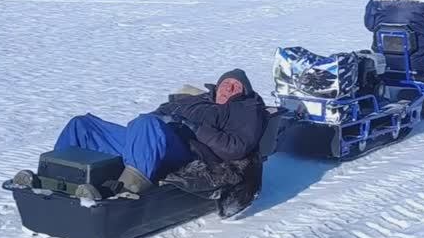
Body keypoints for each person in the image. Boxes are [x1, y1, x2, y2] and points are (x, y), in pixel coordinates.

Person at [52, 69, 267, 198]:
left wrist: (194, 128)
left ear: (244, 91)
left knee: (147, 124)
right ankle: (53, 176)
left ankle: (123, 191)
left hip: (187, 150)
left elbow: (235, 147)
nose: (228, 89)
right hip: (153, 138)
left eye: (235, 86)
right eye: (226, 83)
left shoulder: (246, 110)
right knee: (83, 125)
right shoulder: (197, 99)